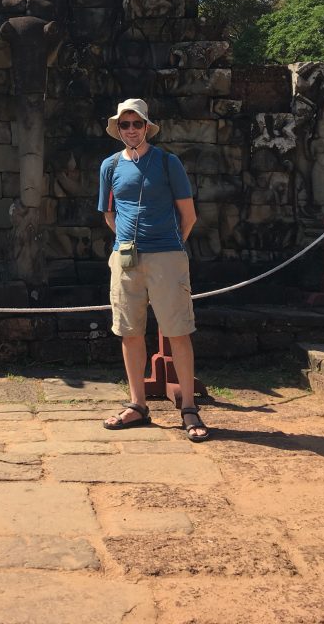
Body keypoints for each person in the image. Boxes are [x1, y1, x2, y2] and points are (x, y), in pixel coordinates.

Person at [97, 98, 209, 441]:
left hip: (167, 255)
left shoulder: (167, 162)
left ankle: (188, 406)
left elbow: (188, 216)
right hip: (126, 258)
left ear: (147, 127)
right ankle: (138, 404)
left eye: (137, 124)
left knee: (178, 331)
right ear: (118, 129)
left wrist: (168, 246)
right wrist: (129, 244)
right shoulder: (110, 166)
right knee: (129, 331)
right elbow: (110, 215)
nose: (131, 130)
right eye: (125, 124)